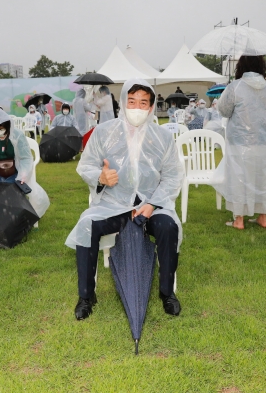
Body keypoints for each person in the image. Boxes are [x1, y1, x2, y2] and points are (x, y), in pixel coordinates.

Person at [66, 79, 184, 320]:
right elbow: (86, 165)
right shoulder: (104, 132)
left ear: (151, 107)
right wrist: (101, 177)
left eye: (143, 103)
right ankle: (86, 296)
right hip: (114, 204)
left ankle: (167, 293)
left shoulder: (162, 137)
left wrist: (152, 205)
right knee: (88, 225)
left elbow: (172, 176)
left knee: (168, 227)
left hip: (152, 203)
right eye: (132, 102)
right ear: (122, 103)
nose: (137, 108)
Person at [213, 55, 266, 230]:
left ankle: (239, 219)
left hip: (240, 143)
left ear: (241, 66)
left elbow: (224, 111)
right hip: (264, 141)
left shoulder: (235, 87)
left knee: (239, 179)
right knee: (262, 178)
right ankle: (263, 217)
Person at [0, 107, 49, 216]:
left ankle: (12, 216)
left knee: (9, 191)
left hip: (15, 173)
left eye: (1, 128)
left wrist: (24, 173)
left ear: (7, 125)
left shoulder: (17, 135)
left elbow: (25, 157)